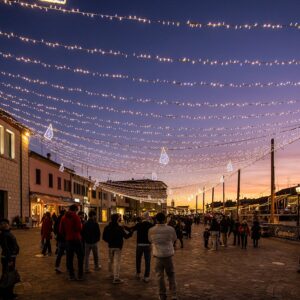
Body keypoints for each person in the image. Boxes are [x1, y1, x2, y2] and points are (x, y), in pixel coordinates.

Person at [148, 212, 178, 300]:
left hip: (158, 255)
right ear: (165, 219)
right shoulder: (170, 229)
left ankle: (162, 295)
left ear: (156, 219)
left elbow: (150, 240)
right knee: (171, 275)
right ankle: (174, 294)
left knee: (159, 276)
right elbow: (174, 239)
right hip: (168, 254)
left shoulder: (151, 230)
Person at [102, 213, 132, 284]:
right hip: (118, 246)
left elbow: (104, 237)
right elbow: (126, 236)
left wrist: (109, 241)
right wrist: (131, 233)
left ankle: (110, 274)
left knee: (110, 260)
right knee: (116, 262)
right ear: (117, 219)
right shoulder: (119, 228)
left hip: (110, 246)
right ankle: (116, 278)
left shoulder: (107, 227)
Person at [125, 211, 154, 282]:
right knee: (147, 261)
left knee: (138, 259)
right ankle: (146, 276)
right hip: (147, 245)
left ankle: (138, 273)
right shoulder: (151, 225)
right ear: (148, 217)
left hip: (140, 244)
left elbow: (130, 229)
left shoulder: (139, 224)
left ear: (142, 217)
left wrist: (124, 227)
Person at [59, 204, 84, 281]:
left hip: (68, 240)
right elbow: (79, 228)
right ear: (75, 210)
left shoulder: (63, 218)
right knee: (80, 257)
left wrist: (67, 235)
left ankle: (71, 275)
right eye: (77, 210)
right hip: (76, 239)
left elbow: (61, 230)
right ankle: (80, 275)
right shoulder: (76, 217)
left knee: (69, 258)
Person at [0, 219, 20, 300]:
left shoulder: (6, 233)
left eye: (6, 223)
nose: (6, 225)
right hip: (8, 258)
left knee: (9, 275)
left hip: (11, 257)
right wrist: (10, 260)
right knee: (7, 276)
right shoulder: (4, 234)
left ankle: (9, 293)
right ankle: (6, 295)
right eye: (3, 224)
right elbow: (5, 248)